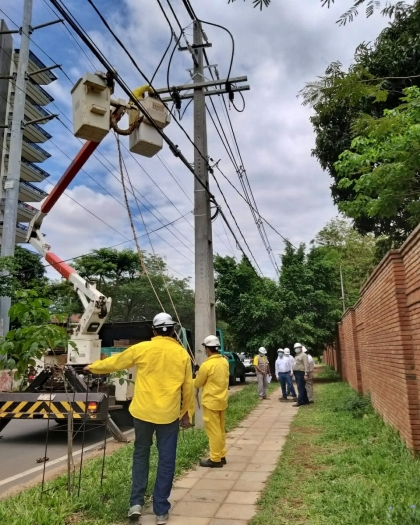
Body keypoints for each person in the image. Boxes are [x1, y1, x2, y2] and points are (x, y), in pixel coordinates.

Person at [84, 312, 194, 525]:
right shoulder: (181, 354)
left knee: (141, 455)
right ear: (173, 331)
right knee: (166, 460)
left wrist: (93, 367)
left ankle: (135, 503)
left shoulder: (142, 348)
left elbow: (117, 362)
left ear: (153, 331)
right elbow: (188, 386)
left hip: (142, 413)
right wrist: (186, 413)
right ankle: (161, 510)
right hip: (168, 415)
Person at [194, 335, 229, 468]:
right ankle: (221, 455)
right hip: (222, 401)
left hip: (210, 402)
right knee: (220, 430)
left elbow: (198, 383)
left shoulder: (206, 365)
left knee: (213, 432)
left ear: (207, 349)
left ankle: (215, 459)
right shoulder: (224, 362)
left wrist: (196, 375)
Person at [292, 342, 310, 407]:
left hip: (301, 373)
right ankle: (306, 400)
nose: (296, 349)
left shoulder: (304, 355)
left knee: (300, 387)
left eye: (297, 348)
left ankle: (299, 401)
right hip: (296, 373)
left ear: (301, 348)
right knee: (302, 387)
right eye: (295, 348)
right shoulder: (296, 355)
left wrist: (306, 374)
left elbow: (306, 365)